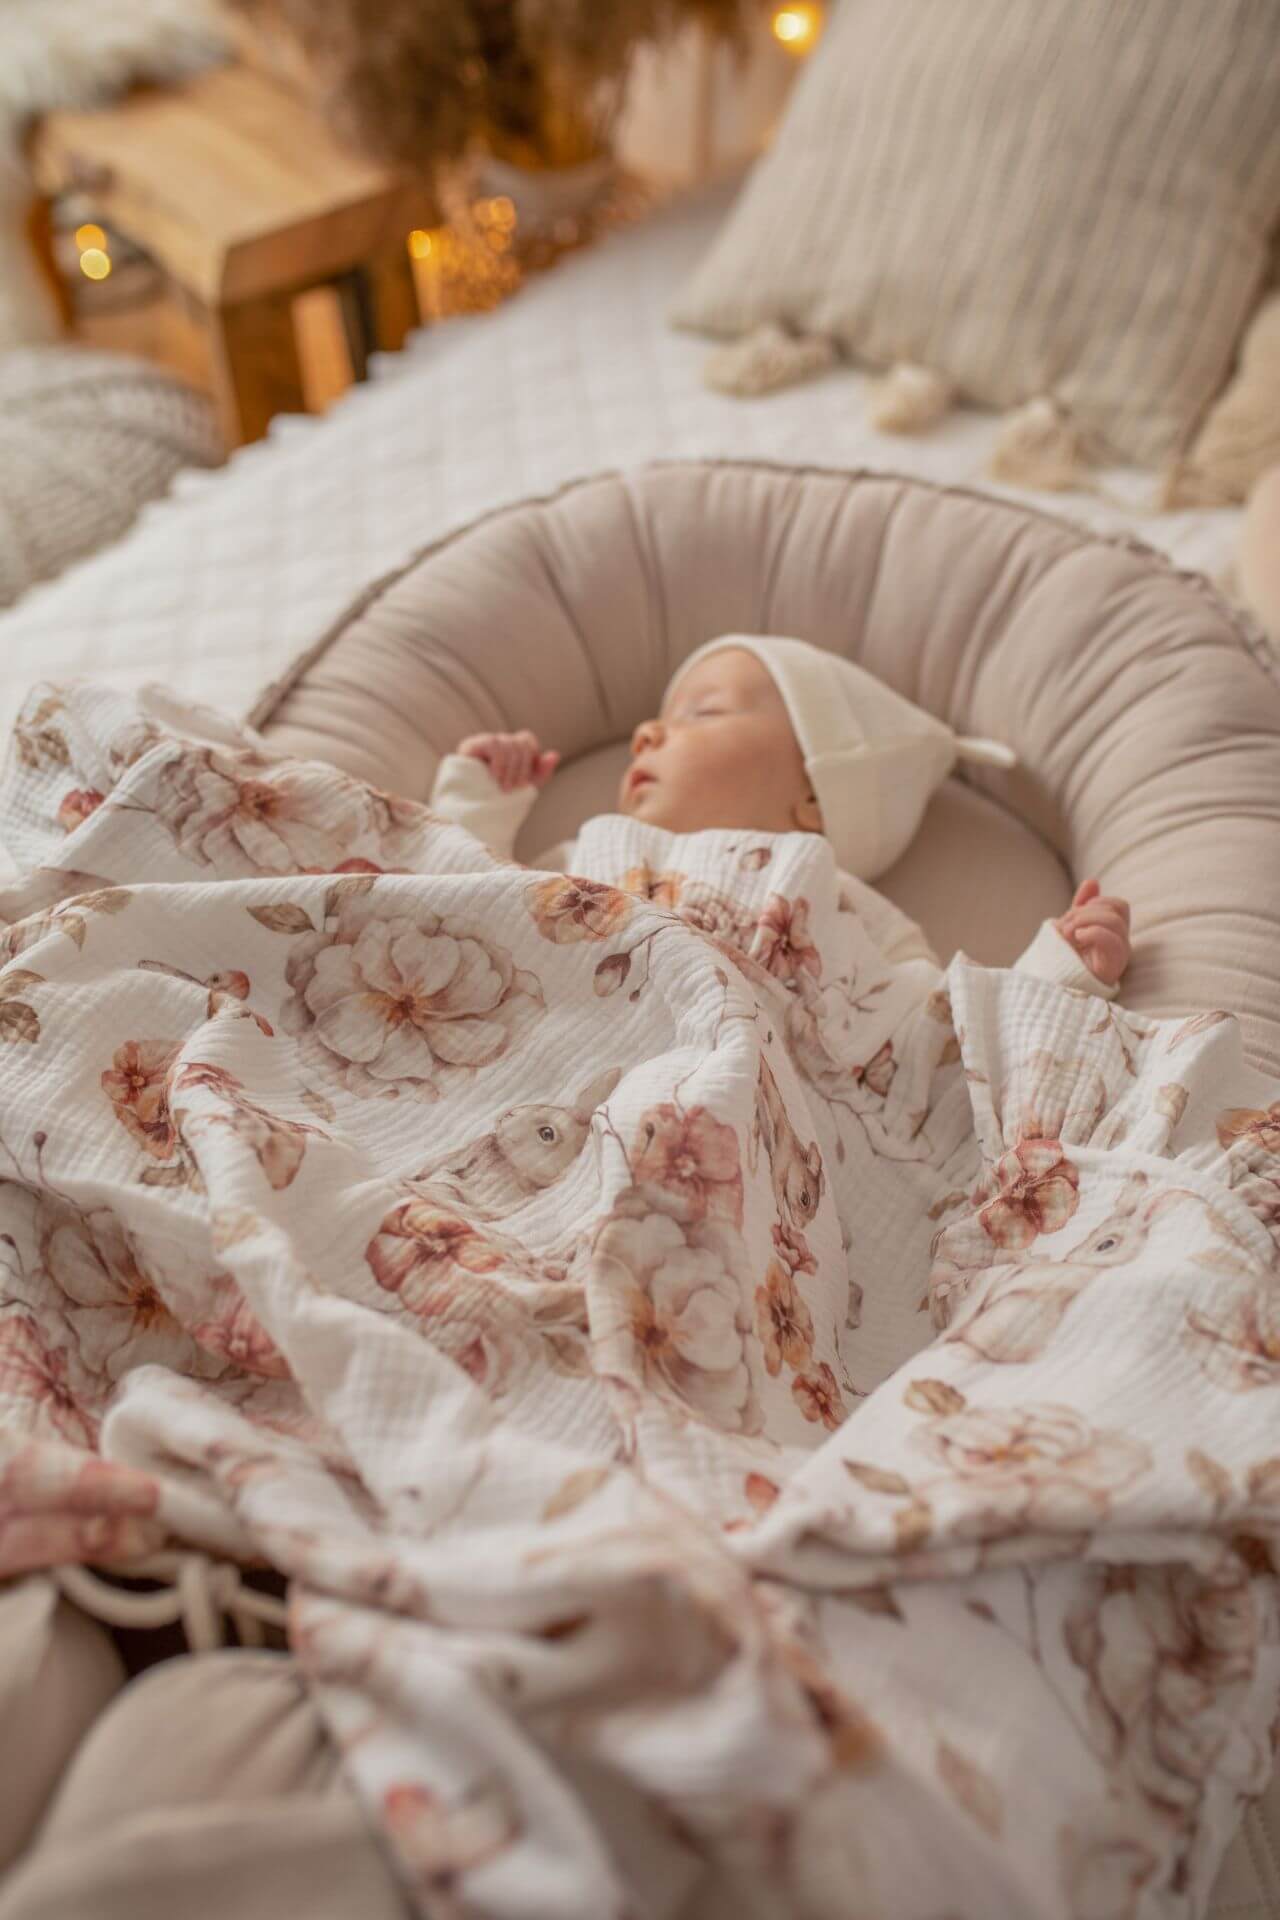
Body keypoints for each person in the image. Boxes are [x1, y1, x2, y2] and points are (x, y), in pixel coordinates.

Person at [428, 635, 1131, 995]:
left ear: (814, 801)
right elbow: (468, 910)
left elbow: (937, 1041)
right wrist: (480, 801)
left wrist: (1057, 971)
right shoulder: (592, 851)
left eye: (701, 714)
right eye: (656, 721)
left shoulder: (843, 907)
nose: (645, 733)